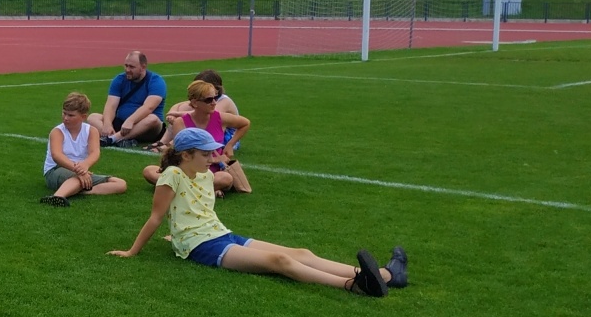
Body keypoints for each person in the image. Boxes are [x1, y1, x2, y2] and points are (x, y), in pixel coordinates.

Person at [109, 126, 408, 296]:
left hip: (221, 234)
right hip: (202, 246)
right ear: (185, 155)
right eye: (206, 154)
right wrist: (132, 251)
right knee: (280, 261)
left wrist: (175, 235)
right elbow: (157, 216)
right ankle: (354, 285)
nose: (214, 157)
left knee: (300, 252)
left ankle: (384, 275)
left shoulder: (205, 174)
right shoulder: (171, 175)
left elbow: (196, 209)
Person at [144, 79, 250, 193]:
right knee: (148, 171)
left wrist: (230, 145)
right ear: (195, 103)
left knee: (225, 178)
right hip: (188, 170)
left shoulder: (220, 118)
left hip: (211, 172)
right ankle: (203, 190)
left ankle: (181, 189)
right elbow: (183, 156)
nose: (214, 102)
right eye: (209, 100)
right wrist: (215, 159)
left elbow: (245, 123)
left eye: (215, 98)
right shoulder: (181, 122)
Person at [40, 91, 128, 206]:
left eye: (71, 115)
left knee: (120, 184)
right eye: (64, 113)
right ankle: (58, 196)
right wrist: (78, 170)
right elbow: (57, 156)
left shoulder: (91, 131)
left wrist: (85, 165)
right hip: (55, 170)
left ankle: (78, 191)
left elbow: (94, 152)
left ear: (83, 117)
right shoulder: (57, 132)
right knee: (78, 178)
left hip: (81, 170)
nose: (65, 118)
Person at [88, 50, 167, 148]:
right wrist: (107, 124)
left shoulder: (156, 81)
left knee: (153, 119)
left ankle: (111, 139)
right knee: (93, 117)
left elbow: (148, 107)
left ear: (143, 67)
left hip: (146, 127)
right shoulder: (120, 79)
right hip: (122, 124)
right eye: (126, 65)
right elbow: (111, 105)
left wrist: (131, 120)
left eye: (132, 67)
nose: (127, 69)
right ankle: (119, 138)